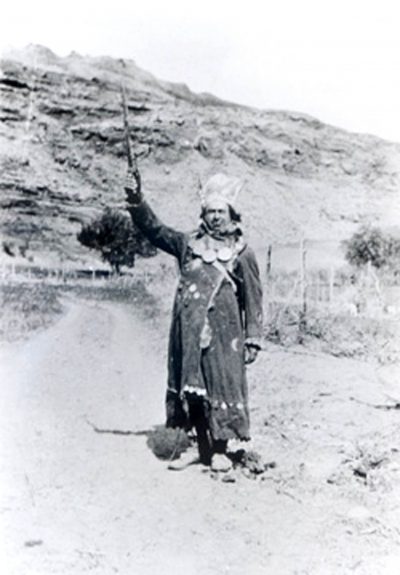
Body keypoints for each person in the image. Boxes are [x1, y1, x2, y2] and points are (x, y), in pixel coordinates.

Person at [124, 171, 263, 471]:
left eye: (220, 211)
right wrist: (137, 201)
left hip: (227, 335)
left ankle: (220, 450)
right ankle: (199, 447)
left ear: (231, 213)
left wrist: (253, 337)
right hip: (189, 330)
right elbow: (155, 230)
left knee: (222, 385)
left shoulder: (243, 252)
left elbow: (253, 297)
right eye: (210, 211)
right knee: (193, 387)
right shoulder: (187, 244)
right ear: (203, 214)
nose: (215, 217)